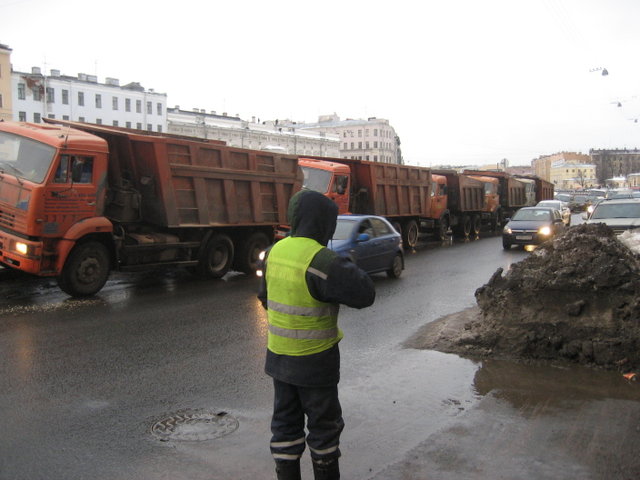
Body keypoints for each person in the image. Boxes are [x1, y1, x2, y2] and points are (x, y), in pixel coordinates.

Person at [258, 189, 376, 480]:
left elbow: (264, 297)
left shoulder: (274, 252)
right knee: (324, 431)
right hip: (315, 363)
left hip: (279, 359)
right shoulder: (322, 260)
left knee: (285, 427)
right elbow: (365, 294)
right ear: (325, 223)